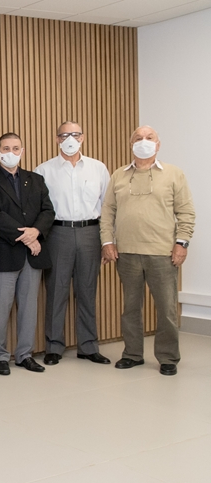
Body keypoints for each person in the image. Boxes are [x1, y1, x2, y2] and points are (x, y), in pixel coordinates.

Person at [100, 126, 195, 376]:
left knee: (166, 308)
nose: (144, 141)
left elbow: (186, 212)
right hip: (127, 253)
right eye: (138, 138)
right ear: (131, 144)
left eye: (149, 138)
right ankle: (132, 354)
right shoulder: (119, 175)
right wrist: (107, 242)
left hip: (163, 253)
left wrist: (182, 243)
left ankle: (168, 357)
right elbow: (107, 212)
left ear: (158, 144)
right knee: (131, 308)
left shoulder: (174, 174)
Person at [34, 121, 110, 366]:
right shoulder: (44, 170)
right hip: (58, 233)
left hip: (90, 232)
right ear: (57, 139)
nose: (70, 139)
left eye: (75, 134)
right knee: (56, 290)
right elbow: (40, 209)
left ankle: (88, 346)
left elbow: (108, 206)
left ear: (83, 138)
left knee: (87, 290)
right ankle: (54, 346)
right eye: (65, 135)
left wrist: (108, 240)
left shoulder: (98, 168)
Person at [0, 132, 55, 376]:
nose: (11, 152)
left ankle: (25, 355)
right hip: (3, 254)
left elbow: (48, 211)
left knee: (28, 309)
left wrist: (36, 232)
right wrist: (27, 237)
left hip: (32, 256)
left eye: (15, 148)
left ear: (22, 151)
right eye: (6, 148)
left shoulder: (36, 180)